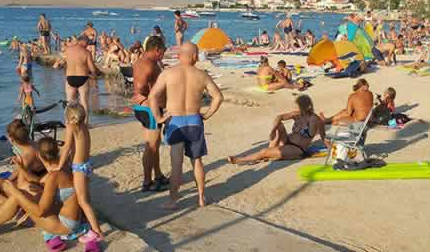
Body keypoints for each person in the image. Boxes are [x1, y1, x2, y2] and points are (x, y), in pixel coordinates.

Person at [148, 43, 224, 208]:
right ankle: (201, 198)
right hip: (194, 121)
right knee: (197, 161)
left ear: (179, 55)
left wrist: (159, 117)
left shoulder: (168, 73)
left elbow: (152, 96)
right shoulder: (201, 75)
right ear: (195, 56)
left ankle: (173, 200)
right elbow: (218, 97)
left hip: (175, 120)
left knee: (176, 164)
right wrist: (207, 115)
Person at [0, 137, 81, 240]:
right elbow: (38, 181)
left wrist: (15, 192)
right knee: (20, 195)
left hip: (64, 225)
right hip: (67, 215)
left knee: (17, 198)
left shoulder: (54, 175)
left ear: (39, 156)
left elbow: (40, 211)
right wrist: (21, 167)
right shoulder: (61, 167)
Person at [48, 103, 103, 240]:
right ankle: (90, 222)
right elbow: (75, 146)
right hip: (86, 164)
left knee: (83, 201)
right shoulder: (83, 127)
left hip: (79, 168)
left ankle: (97, 232)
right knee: (86, 198)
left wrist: (59, 166)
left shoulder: (71, 127)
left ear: (70, 117)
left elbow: (66, 148)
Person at [229, 95, 326, 164]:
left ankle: (240, 160)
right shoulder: (296, 114)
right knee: (279, 125)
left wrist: (331, 147)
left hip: (297, 149)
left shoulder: (316, 120)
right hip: (287, 140)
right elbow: (279, 117)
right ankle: (266, 154)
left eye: (299, 107)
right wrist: (273, 129)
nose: (297, 109)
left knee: (264, 152)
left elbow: (323, 137)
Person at [131, 36, 169, 192]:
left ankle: (158, 175)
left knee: (154, 143)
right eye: (163, 52)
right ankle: (147, 182)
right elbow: (140, 86)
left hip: (146, 109)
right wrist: (145, 98)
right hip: (149, 109)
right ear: (157, 50)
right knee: (151, 147)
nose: (163, 55)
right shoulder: (148, 65)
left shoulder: (141, 61)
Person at [65, 35, 98, 122]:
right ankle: (85, 123)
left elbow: (66, 61)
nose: (87, 45)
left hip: (70, 77)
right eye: (87, 43)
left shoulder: (68, 49)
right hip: (83, 78)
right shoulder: (86, 52)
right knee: (84, 102)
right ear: (83, 41)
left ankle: (68, 122)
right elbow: (92, 69)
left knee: (69, 102)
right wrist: (96, 74)